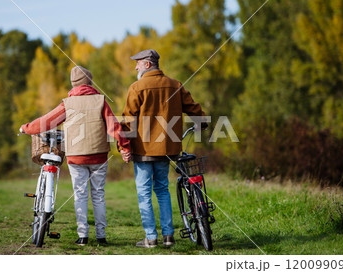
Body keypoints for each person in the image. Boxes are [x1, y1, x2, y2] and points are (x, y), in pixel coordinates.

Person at [20, 66, 131, 246]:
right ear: (90, 82)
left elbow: (46, 121)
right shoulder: (100, 100)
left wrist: (26, 128)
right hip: (99, 156)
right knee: (98, 195)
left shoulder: (67, 104)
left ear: (74, 84)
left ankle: (82, 236)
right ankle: (101, 236)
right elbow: (114, 127)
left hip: (76, 157)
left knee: (80, 195)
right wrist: (124, 146)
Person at [121, 49, 206, 248]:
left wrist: (123, 146)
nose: (136, 67)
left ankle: (150, 238)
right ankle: (168, 236)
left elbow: (127, 121)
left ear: (147, 65)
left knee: (144, 193)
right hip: (168, 149)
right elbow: (192, 107)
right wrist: (202, 122)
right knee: (162, 190)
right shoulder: (175, 85)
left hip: (143, 150)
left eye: (138, 63)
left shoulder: (137, 87)